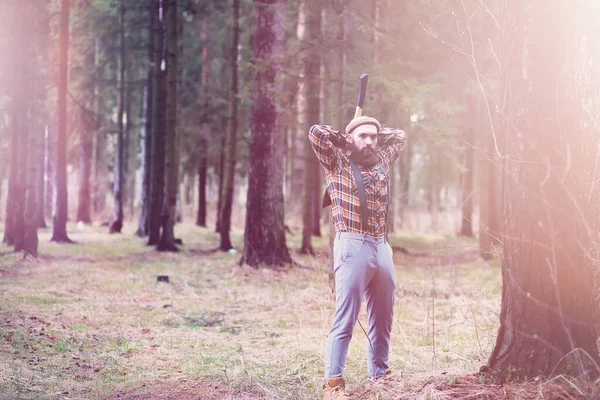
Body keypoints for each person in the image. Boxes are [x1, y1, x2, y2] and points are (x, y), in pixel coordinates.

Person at [308, 116, 407, 400]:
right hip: (352, 244)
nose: (370, 141)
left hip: (381, 245)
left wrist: (373, 133)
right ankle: (333, 383)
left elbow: (400, 135)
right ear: (351, 139)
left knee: (384, 316)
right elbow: (316, 133)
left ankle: (379, 375)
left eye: (373, 137)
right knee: (346, 316)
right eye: (363, 136)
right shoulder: (336, 163)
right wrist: (345, 139)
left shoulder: (382, 161)